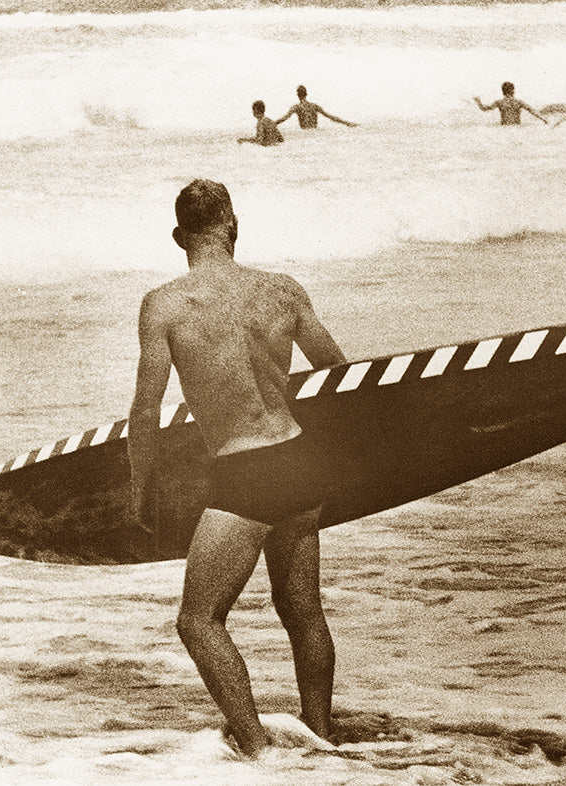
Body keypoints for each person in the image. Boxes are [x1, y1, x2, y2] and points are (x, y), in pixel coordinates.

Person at [128, 180, 347, 756]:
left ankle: (257, 750)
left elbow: (147, 407)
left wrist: (141, 485)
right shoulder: (282, 290)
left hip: (244, 475)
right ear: (233, 226)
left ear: (179, 237)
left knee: (198, 621)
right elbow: (337, 373)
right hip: (298, 460)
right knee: (302, 610)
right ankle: (322, 737)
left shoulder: (165, 305)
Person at [275, 86, 357, 129]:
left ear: (298, 95)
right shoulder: (314, 106)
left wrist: (272, 124)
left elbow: (284, 118)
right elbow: (330, 117)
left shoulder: (296, 107)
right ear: (306, 94)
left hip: (305, 134)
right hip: (315, 132)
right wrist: (347, 123)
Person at [473, 81, 548, 125]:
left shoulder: (499, 102)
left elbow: (484, 109)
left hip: (504, 129)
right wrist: (544, 119)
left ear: (503, 91)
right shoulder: (518, 102)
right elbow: (532, 111)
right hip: (516, 128)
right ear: (512, 91)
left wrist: (478, 101)